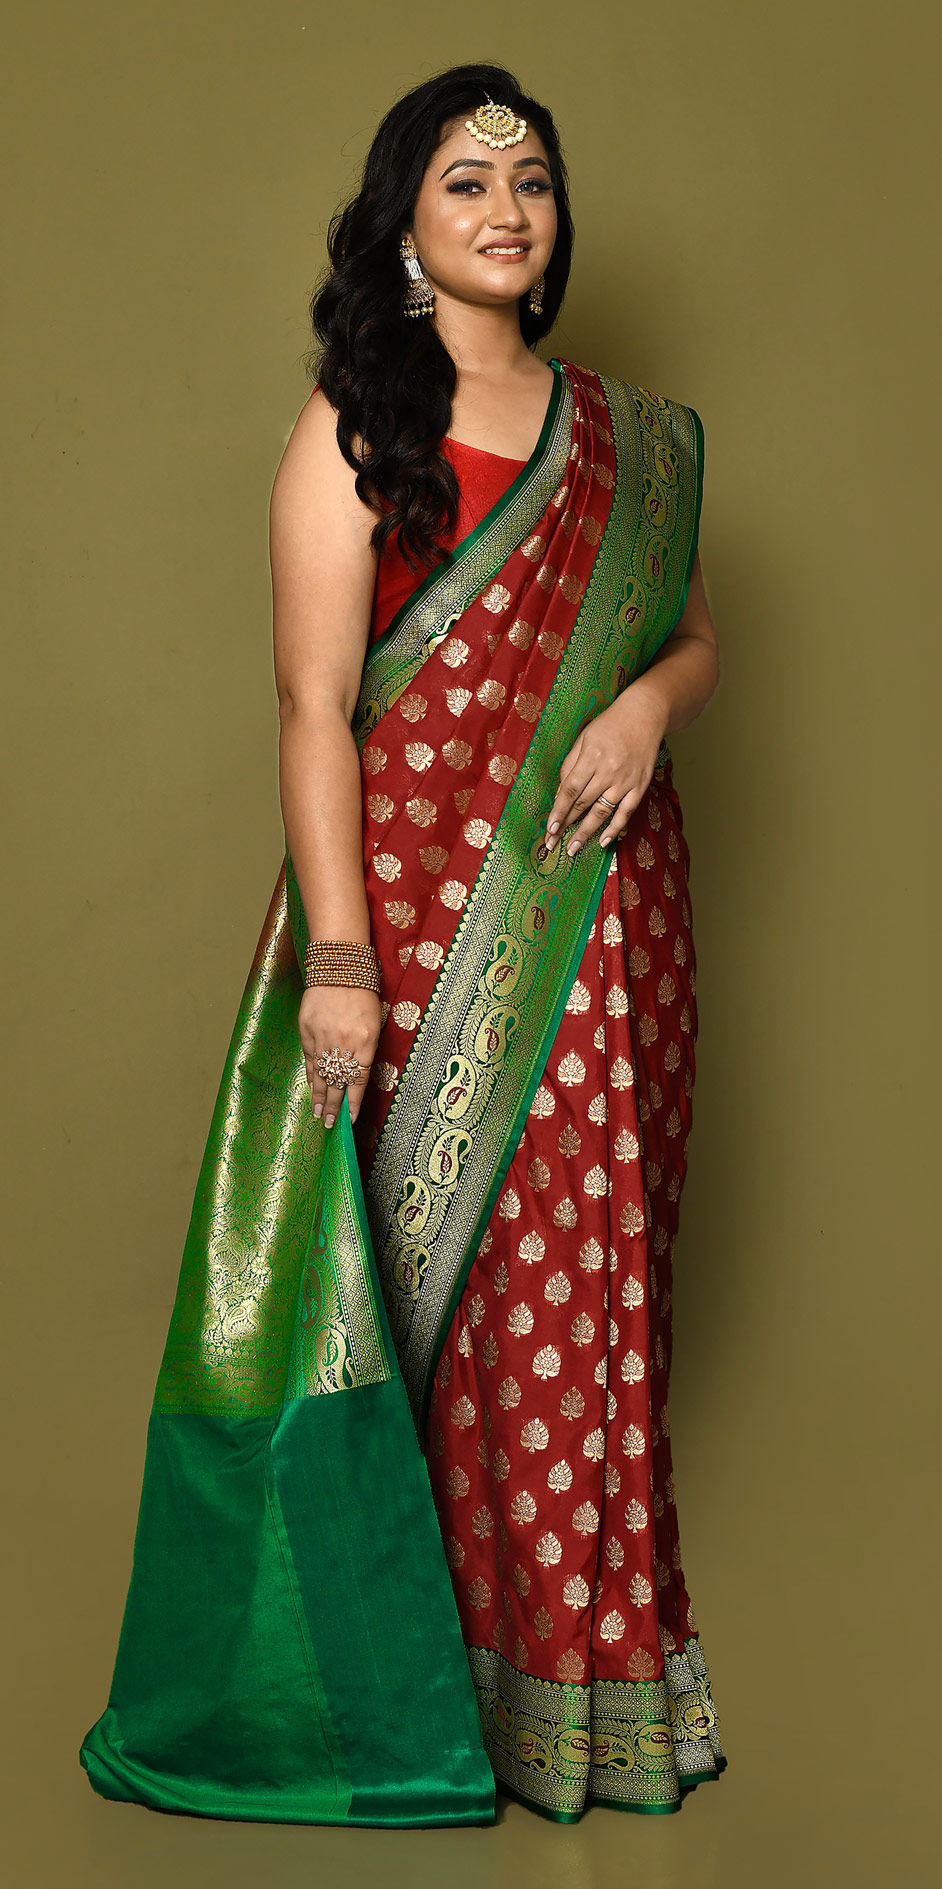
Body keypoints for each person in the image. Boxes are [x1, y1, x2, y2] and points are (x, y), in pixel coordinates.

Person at [79, 63, 727, 1828]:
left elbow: (691, 639)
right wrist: (343, 964)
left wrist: (647, 707)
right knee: (419, 1303)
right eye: (465, 182)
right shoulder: (359, 421)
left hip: (605, 918)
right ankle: (387, 1692)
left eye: (531, 181)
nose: (506, 210)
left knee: (585, 1289)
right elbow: (312, 707)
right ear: (404, 226)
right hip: (422, 929)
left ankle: (566, 1685)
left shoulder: (628, 438)